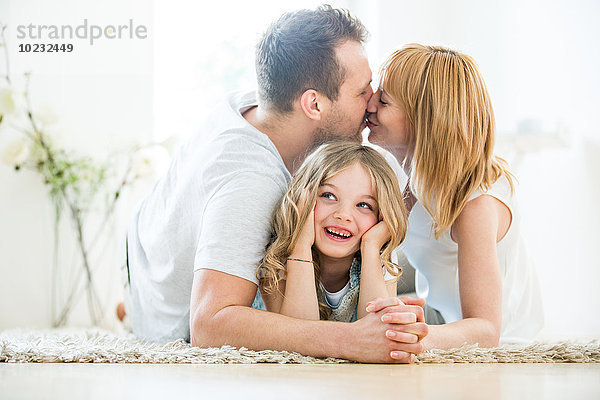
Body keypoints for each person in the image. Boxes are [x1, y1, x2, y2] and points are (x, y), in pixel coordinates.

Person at [125, 6, 427, 363]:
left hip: (143, 268)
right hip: (166, 328)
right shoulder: (251, 180)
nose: (373, 102)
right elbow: (210, 325)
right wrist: (350, 339)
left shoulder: (254, 106)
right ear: (313, 103)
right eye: (362, 92)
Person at [365, 44, 544, 349]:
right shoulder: (410, 179)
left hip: (506, 345)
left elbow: (486, 330)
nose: (369, 105)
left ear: (424, 119)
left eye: (382, 100)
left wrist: (407, 333)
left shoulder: (475, 205)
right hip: (443, 317)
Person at [257, 142, 414, 325]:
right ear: (302, 198)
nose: (343, 215)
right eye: (329, 196)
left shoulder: (379, 254)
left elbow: (376, 333)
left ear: (381, 217)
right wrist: (300, 245)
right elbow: (298, 338)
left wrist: (370, 248)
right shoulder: (276, 257)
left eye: (364, 205)